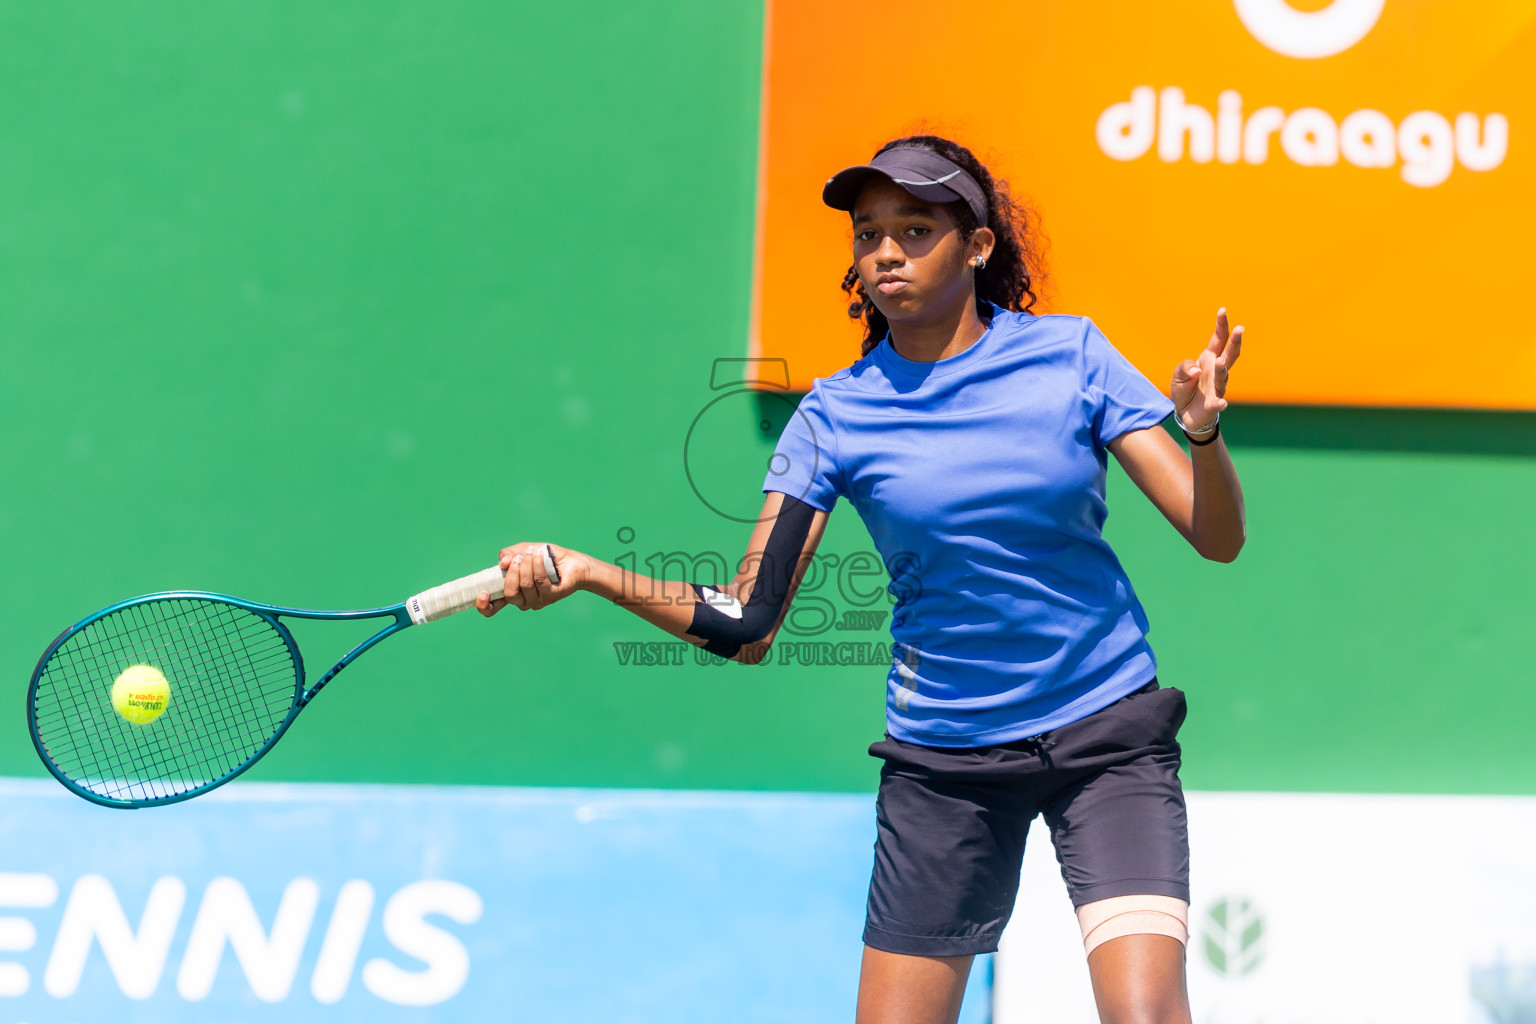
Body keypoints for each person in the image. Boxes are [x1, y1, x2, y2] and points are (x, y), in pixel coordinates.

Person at [476, 134, 1246, 1024]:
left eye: (915, 229)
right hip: (944, 762)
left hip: (1106, 736)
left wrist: (1203, 435)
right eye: (868, 232)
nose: (885, 251)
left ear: (979, 245)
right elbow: (746, 622)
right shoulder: (834, 416)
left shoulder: (1073, 357)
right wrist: (585, 572)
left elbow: (1214, 536)